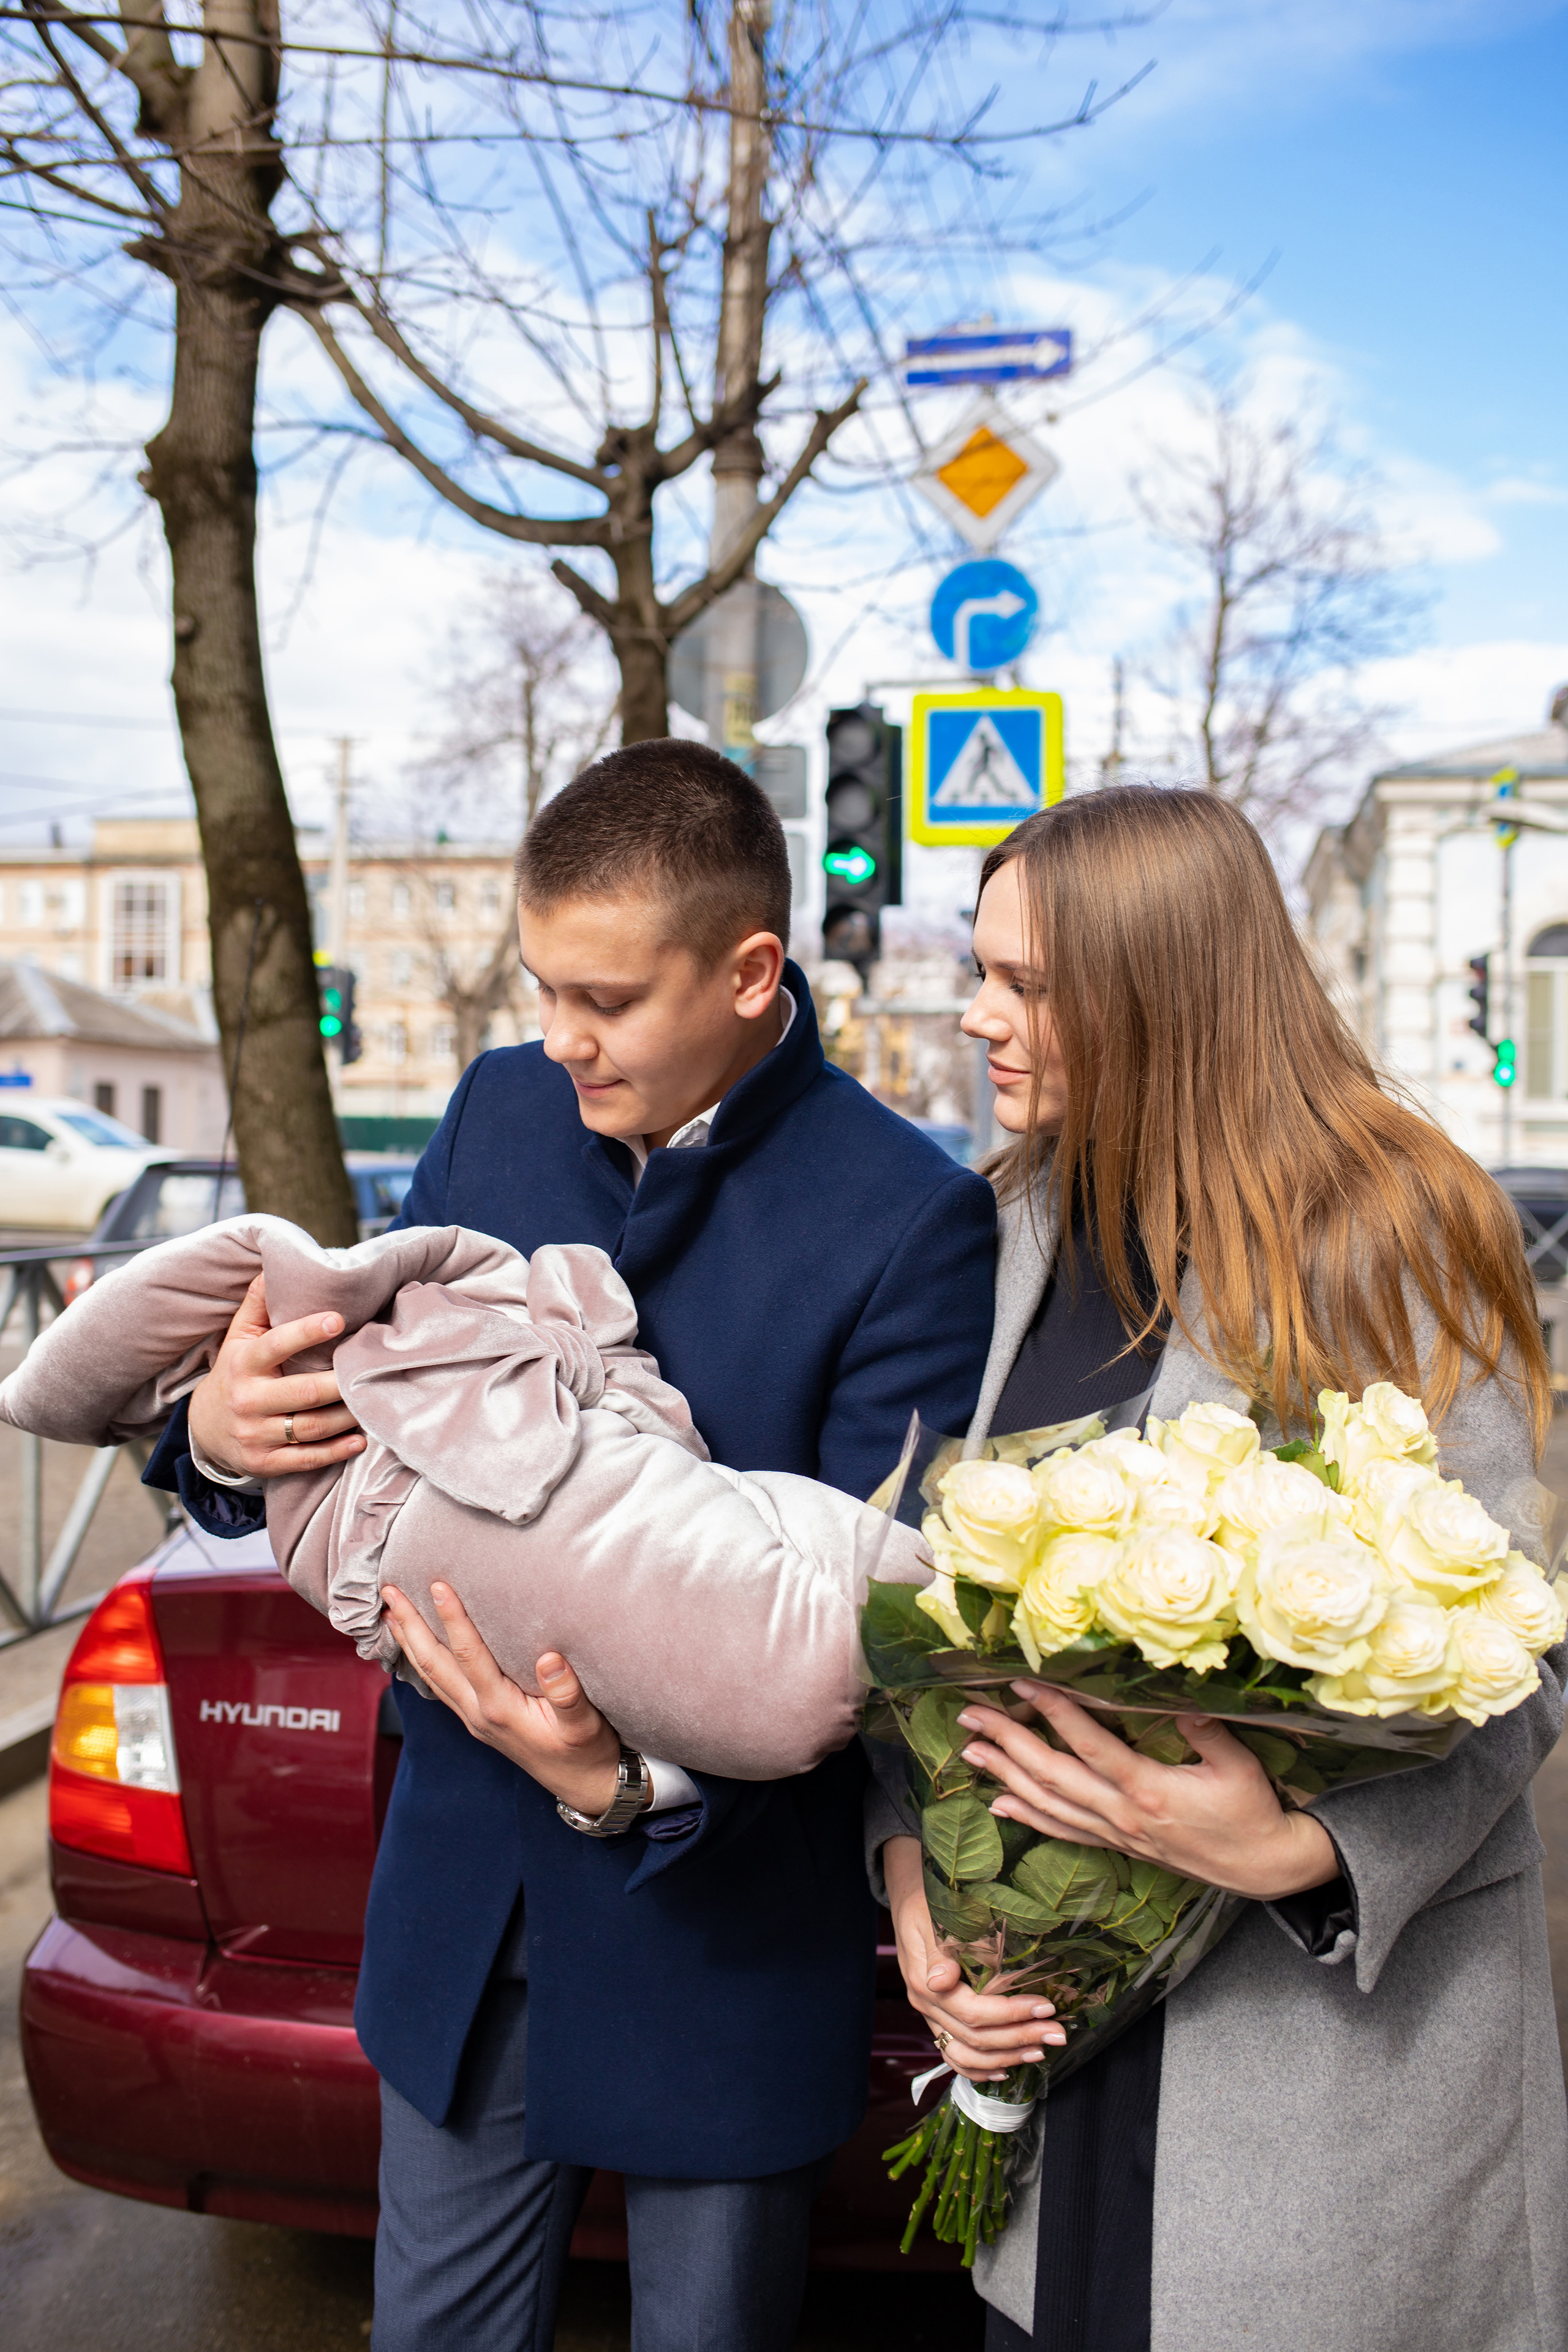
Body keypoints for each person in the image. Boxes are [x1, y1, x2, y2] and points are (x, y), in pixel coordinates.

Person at [146, 741, 997, 2352]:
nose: (560, 1041)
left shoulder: (911, 1220)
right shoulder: (501, 1108)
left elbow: (879, 1634)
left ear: (753, 972)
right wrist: (216, 1439)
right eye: (544, 988)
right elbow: (358, 1411)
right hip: (464, 1919)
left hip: (719, 1944)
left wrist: (634, 1785)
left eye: (605, 998)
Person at [876, 785, 1568, 2352]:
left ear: (1164, 993)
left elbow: (1512, 1656)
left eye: (1026, 986)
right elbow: (932, 1624)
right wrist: (921, 1898)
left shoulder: (1380, 1232)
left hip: (1311, 2093)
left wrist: (1305, 1855)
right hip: (1058, 2078)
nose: (978, 1016)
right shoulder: (1008, 1226)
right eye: (978, 971)